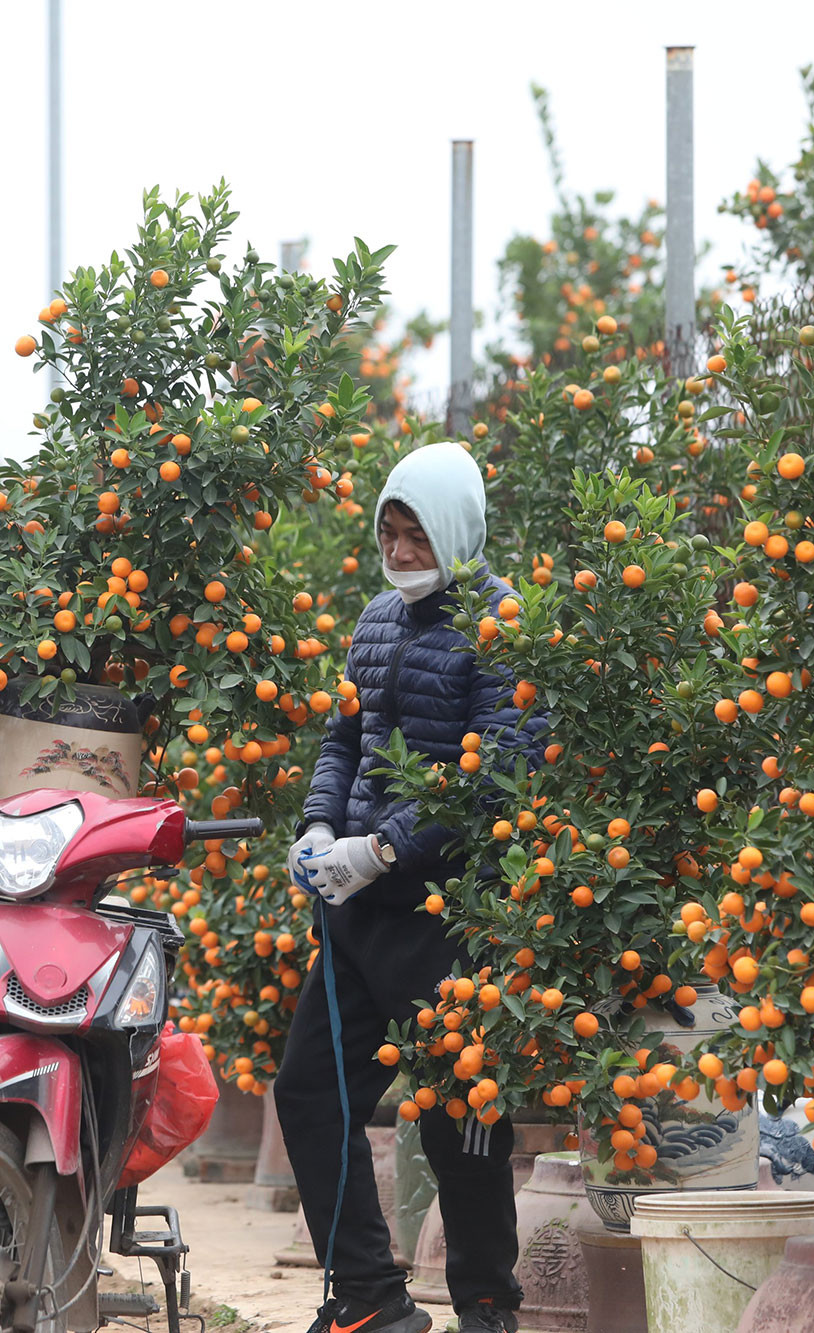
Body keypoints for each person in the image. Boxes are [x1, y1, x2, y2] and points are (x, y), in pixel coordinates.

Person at [274, 442, 543, 1333]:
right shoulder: (376, 620)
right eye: (389, 533)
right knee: (310, 1089)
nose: (399, 550)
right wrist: (318, 828)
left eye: (416, 534)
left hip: (446, 916)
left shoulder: (503, 624)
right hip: (357, 913)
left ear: (455, 529)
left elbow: (495, 772)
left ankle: (486, 1303)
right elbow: (344, 742)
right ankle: (369, 1295)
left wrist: (382, 851)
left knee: (459, 1120)